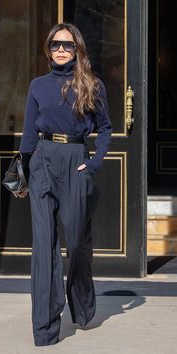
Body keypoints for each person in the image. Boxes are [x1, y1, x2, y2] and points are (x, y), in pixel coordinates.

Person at [17, 22, 112, 346]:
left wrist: (94, 163)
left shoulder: (92, 86)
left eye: (67, 45)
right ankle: (44, 328)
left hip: (75, 161)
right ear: (48, 48)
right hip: (43, 160)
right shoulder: (37, 85)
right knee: (43, 249)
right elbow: (29, 133)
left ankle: (82, 306)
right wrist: (23, 174)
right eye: (55, 44)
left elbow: (107, 129)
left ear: (77, 49)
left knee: (76, 243)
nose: (60, 49)